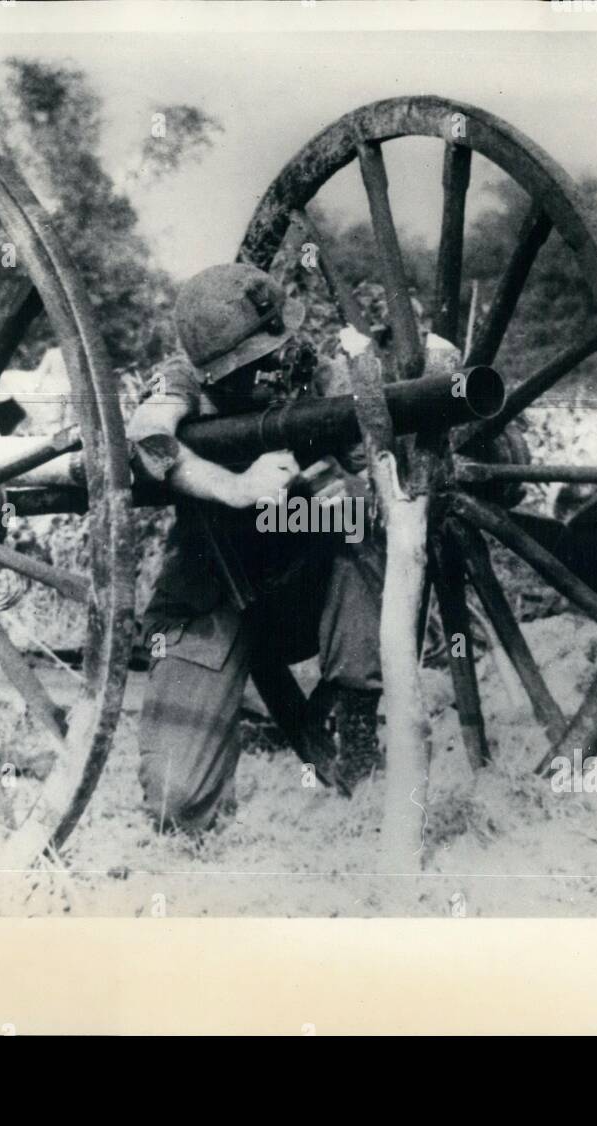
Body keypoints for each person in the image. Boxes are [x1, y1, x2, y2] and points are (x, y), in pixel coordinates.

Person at [126, 263, 384, 833]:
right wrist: (238, 488)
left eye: (278, 350)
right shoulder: (183, 378)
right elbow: (149, 436)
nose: (273, 369)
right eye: (255, 362)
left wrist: (350, 481)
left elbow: (378, 460)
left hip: (299, 593)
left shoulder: (312, 373)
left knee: (354, 522)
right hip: (212, 594)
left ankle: (356, 716)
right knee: (177, 801)